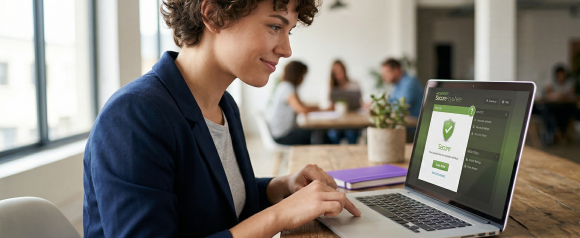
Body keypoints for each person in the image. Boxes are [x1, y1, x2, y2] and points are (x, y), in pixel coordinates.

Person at [82, 0, 360, 237]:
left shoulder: (224, 105)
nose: (287, 49)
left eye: (289, 31)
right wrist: (278, 216)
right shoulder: (134, 116)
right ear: (214, 14)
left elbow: (222, 202)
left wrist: (281, 187)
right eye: (275, 26)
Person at [266, 61, 320, 145]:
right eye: (303, 75)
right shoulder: (287, 88)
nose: (303, 79)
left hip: (281, 133)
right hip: (282, 136)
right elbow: (301, 109)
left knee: (314, 132)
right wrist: (321, 109)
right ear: (296, 75)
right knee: (316, 133)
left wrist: (319, 108)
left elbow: (302, 105)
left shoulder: (284, 86)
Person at [381, 58, 424, 125]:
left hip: (413, 125)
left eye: (387, 72)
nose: (384, 76)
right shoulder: (397, 85)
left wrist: (383, 109)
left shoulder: (410, 82)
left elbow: (401, 107)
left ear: (397, 70)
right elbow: (391, 101)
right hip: (402, 123)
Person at [327, 60, 361, 144]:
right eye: (336, 71)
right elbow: (324, 104)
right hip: (334, 122)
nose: (339, 73)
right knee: (333, 134)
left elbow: (360, 102)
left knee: (351, 134)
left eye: (341, 70)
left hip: (352, 121)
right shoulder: (328, 86)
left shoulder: (354, 84)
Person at [541, 64, 576, 144]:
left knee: (568, 111)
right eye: (559, 75)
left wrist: (557, 94)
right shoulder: (552, 83)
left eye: (563, 75)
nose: (561, 76)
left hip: (565, 107)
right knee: (547, 111)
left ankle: (562, 132)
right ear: (556, 75)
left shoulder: (569, 84)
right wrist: (560, 94)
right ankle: (551, 133)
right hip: (554, 106)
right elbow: (548, 92)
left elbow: (570, 93)